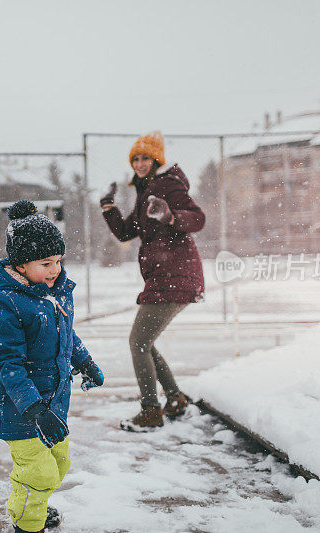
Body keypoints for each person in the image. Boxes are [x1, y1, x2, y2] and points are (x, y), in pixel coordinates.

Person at [0, 200, 104, 533]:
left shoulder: (57, 292)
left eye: (58, 261)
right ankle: (26, 522)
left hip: (55, 401)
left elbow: (66, 333)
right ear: (20, 266)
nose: (54, 270)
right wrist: (34, 408)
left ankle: (31, 502)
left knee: (60, 463)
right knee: (39, 471)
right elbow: (6, 361)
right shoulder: (4, 301)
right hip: (20, 407)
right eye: (45, 263)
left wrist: (84, 360)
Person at [99, 131, 205, 432]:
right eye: (135, 158)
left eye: (145, 157)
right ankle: (174, 399)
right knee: (144, 342)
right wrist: (109, 208)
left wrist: (171, 216)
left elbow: (197, 218)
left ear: (156, 159)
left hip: (175, 275)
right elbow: (125, 231)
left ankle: (151, 410)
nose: (140, 163)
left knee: (138, 342)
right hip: (165, 277)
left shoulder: (167, 185)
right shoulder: (146, 192)